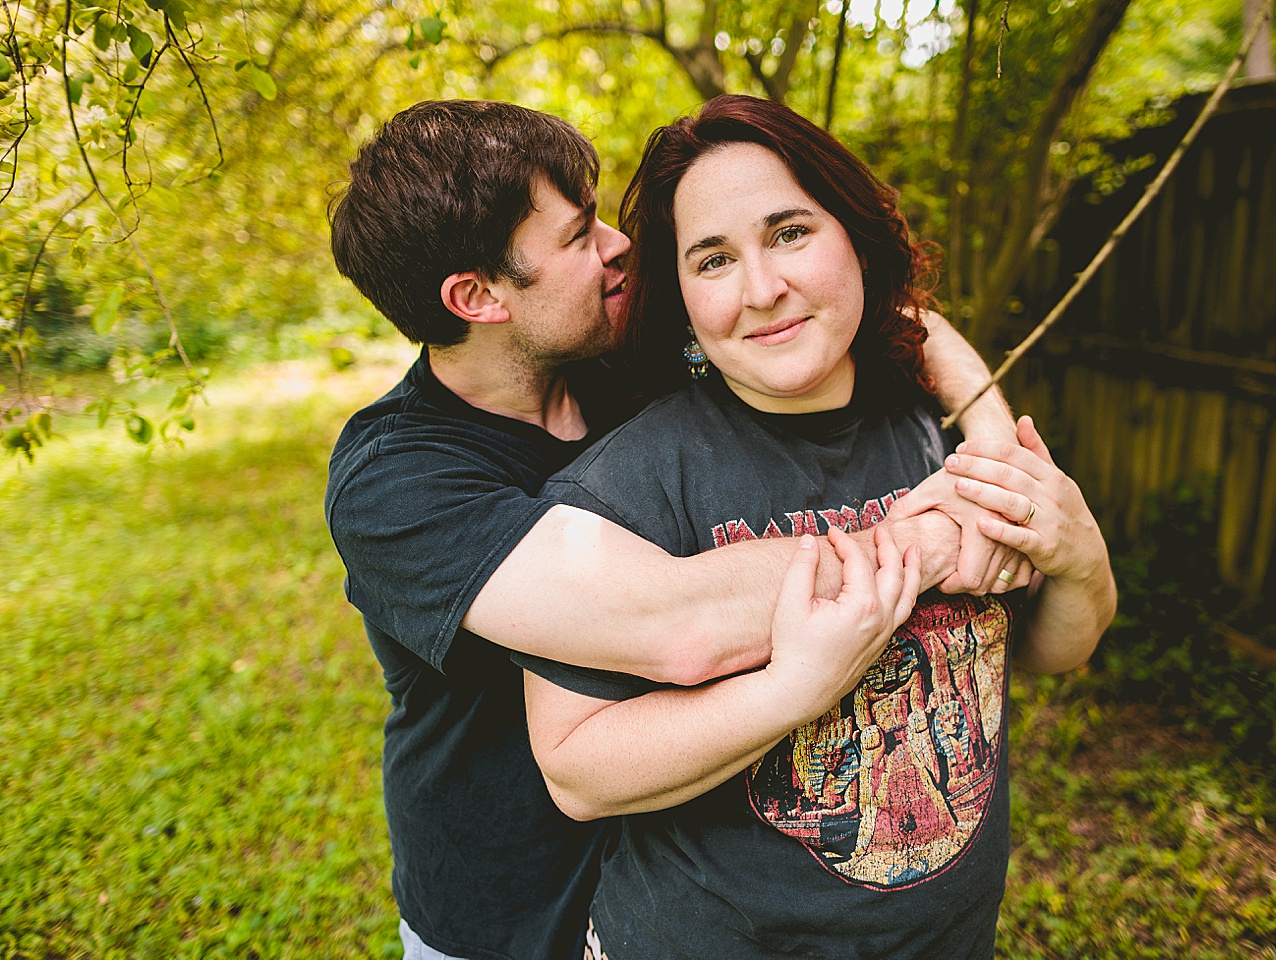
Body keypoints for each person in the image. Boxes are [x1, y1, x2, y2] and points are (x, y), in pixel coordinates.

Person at [324, 99, 1032, 960]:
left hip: (669, 878)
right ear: (477, 298)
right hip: (502, 914)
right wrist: (935, 537)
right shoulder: (397, 481)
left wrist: (996, 458)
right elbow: (679, 624)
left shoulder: (619, 363)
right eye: (581, 235)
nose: (620, 247)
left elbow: (897, 318)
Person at [518, 95, 1116, 960]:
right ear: (682, 299)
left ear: (855, 235)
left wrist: (1081, 560)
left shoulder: (937, 426)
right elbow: (577, 772)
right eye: (714, 259)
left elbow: (1048, 650)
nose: (763, 290)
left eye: (790, 232)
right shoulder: (631, 484)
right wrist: (795, 685)